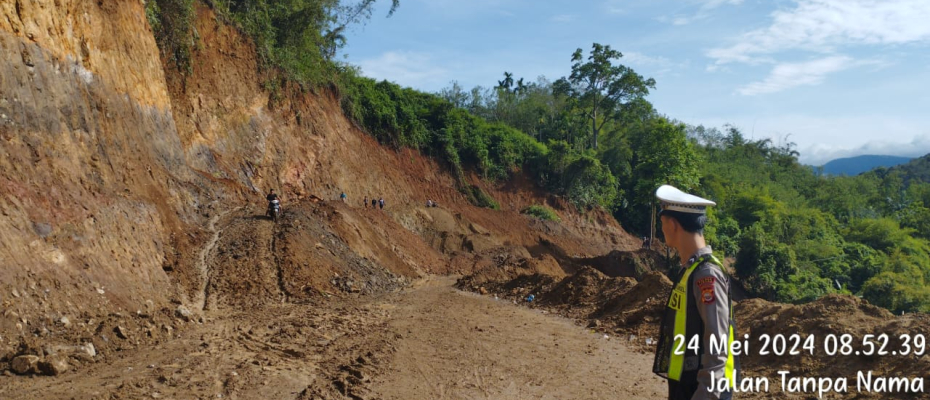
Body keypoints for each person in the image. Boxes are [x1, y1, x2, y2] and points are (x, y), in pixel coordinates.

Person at [652, 185, 739, 400]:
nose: (662, 230)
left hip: (701, 390)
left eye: (662, 224)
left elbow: (718, 344)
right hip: (688, 383)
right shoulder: (691, 270)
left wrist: (705, 394)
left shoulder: (706, 274)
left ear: (672, 224)